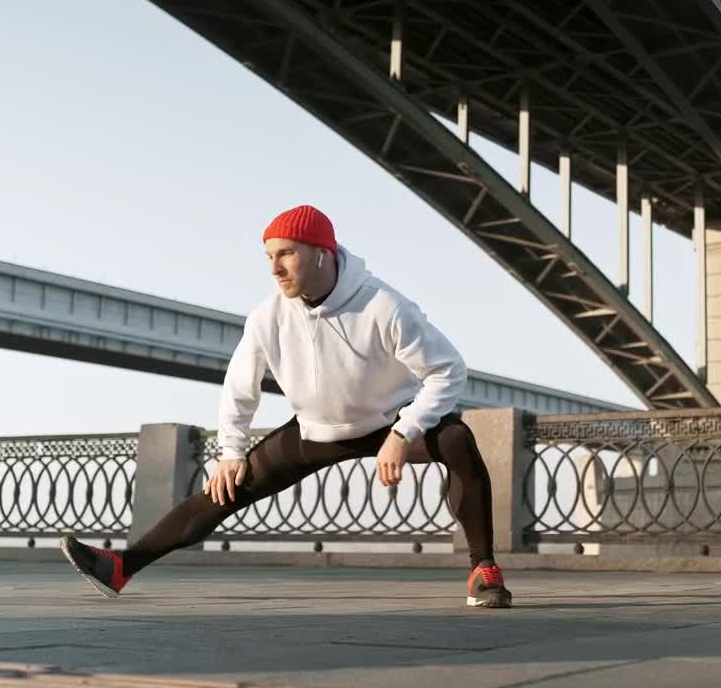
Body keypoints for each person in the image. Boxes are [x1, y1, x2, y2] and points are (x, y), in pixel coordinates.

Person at [60, 204, 512, 608]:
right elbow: (239, 388)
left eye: (286, 254)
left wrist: (404, 432)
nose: (275, 268)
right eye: (269, 257)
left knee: (456, 440)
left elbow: (448, 370)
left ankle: (483, 570)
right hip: (315, 431)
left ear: (321, 252)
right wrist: (230, 453)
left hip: (385, 421)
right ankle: (121, 567)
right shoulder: (266, 317)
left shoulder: (385, 305)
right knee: (225, 488)